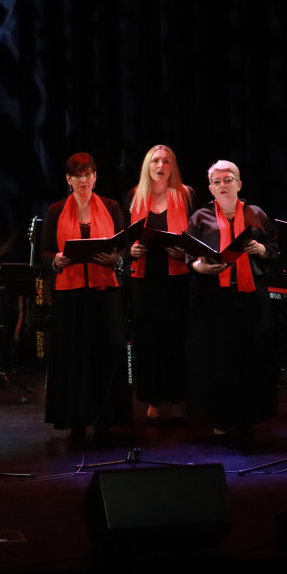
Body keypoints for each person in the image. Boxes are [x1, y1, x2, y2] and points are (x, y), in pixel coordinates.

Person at [40, 152, 131, 444]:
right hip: (70, 293)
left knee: (107, 351)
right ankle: (76, 419)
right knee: (73, 355)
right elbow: (42, 251)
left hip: (105, 291)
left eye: (88, 174)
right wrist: (55, 260)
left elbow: (125, 247)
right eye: (77, 175)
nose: (83, 180)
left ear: (95, 177)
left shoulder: (112, 206)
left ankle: (105, 418)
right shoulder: (55, 210)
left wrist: (115, 257)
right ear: (68, 180)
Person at [186, 160, 279, 442]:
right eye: (216, 182)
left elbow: (275, 248)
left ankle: (249, 416)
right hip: (214, 298)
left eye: (228, 180)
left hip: (251, 297)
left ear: (239, 184)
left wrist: (261, 248)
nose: (222, 186)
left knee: (251, 358)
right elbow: (190, 256)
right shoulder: (200, 217)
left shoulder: (256, 214)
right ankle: (221, 418)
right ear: (210, 187)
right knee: (218, 359)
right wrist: (199, 267)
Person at [125, 145, 194, 423]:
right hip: (145, 277)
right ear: (147, 166)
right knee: (149, 339)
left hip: (177, 277)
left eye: (166, 161)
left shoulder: (186, 195)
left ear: (173, 166)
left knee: (176, 338)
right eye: (155, 160)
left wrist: (184, 253)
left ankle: (178, 395)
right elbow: (125, 236)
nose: (160, 165)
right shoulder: (134, 196)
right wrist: (131, 249)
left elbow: (197, 234)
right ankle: (153, 398)